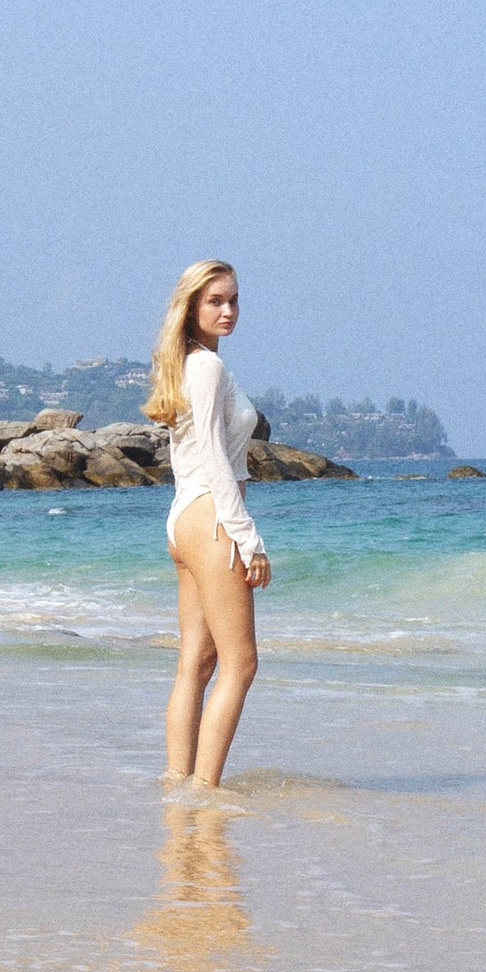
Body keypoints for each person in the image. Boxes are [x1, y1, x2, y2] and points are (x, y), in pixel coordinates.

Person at [146, 256, 270, 787]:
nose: (228, 311)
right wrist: (248, 537)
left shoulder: (190, 364)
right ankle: (205, 792)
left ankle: (178, 789)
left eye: (234, 300)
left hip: (184, 519)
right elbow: (216, 457)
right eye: (215, 301)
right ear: (191, 307)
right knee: (241, 665)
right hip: (211, 517)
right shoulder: (207, 368)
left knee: (195, 664)